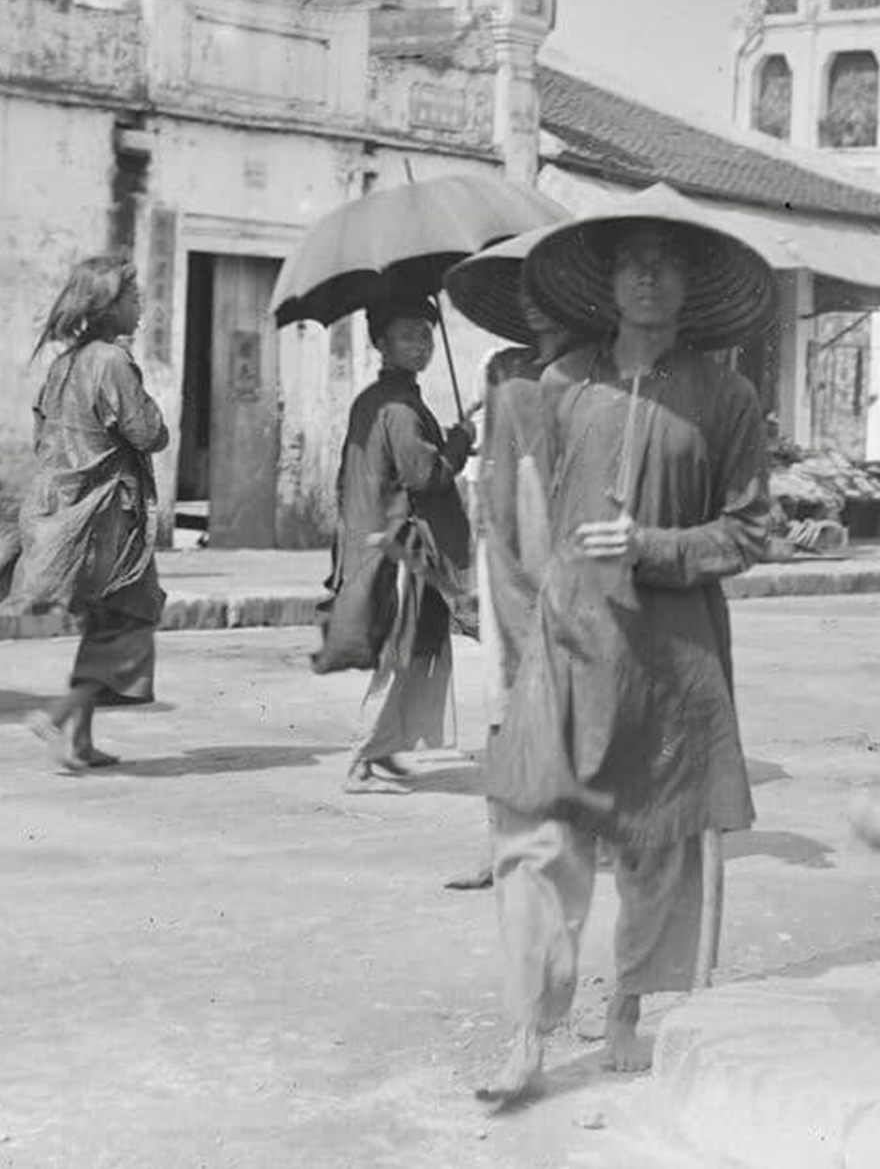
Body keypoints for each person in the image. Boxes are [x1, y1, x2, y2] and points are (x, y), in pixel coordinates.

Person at [479, 194, 772, 1102]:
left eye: (666, 259)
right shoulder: (559, 386)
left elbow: (749, 531)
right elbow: (516, 521)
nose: (647, 273)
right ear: (606, 282)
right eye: (631, 259)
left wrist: (652, 545)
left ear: (691, 283)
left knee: (659, 840)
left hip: (671, 654)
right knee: (538, 836)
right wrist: (528, 630)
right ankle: (529, 1027)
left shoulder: (726, 398)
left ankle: (632, 1005)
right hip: (570, 645)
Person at [440, 260, 577, 893]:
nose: (535, 307)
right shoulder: (502, 369)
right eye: (526, 296)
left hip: (563, 556)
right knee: (503, 705)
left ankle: (574, 836)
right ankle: (502, 843)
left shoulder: (590, 374)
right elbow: (487, 473)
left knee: (568, 703)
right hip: (502, 557)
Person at [17, 257, 168, 771]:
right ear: (108, 306)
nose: (141, 306)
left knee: (103, 621)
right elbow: (148, 433)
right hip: (110, 515)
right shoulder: (111, 362)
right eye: (133, 298)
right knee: (126, 616)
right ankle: (60, 714)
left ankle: (78, 741)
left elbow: (42, 435)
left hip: (67, 510)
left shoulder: (64, 364)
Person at [324, 297, 472, 795]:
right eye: (408, 335)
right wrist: (459, 443)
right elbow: (425, 474)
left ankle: (385, 748)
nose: (422, 344)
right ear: (381, 344)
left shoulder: (381, 399)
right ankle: (361, 762)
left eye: (426, 334)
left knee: (415, 646)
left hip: (384, 543)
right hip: (399, 547)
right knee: (400, 652)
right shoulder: (400, 408)